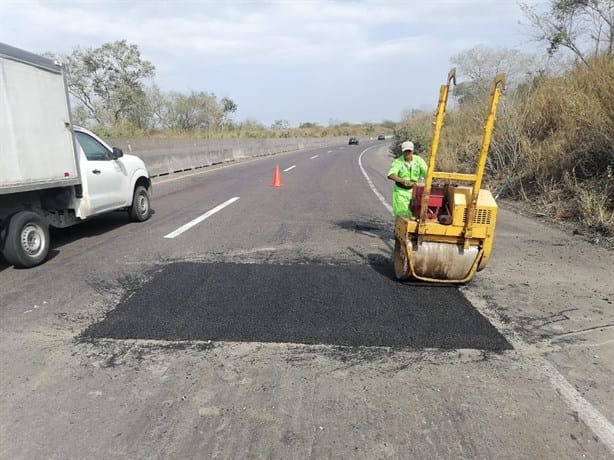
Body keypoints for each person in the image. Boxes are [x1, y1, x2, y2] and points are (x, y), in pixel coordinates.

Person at [387, 140, 428, 217]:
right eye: (405, 151)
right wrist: (403, 181)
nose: (407, 153)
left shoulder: (418, 160)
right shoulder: (398, 162)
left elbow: (427, 173)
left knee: (416, 215)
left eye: (409, 151)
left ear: (412, 151)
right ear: (403, 152)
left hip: (415, 192)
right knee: (402, 217)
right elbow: (391, 175)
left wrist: (428, 180)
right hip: (401, 192)